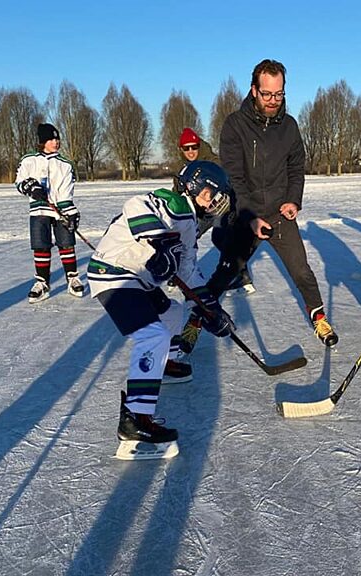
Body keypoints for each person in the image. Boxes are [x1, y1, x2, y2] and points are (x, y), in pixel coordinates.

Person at [86, 160, 234, 459]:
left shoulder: (190, 221)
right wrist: (161, 242)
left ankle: (161, 365)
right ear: (193, 185)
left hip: (138, 279)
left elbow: (189, 271)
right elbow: (134, 204)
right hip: (113, 274)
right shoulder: (172, 202)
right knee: (153, 337)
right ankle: (135, 420)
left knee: (175, 315)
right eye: (210, 194)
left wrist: (211, 309)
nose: (214, 202)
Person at [203, 58, 338, 347]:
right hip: (245, 216)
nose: (273, 100)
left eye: (279, 94)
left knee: (302, 271)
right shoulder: (235, 125)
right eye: (267, 94)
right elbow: (234, 178)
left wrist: (292, 201)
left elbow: (295, 167)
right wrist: (249, 216)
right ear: (254, 90)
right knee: (226, 272)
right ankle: (193, 322)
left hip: (279, 214)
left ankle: (319, 318)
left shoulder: (289, 126)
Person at [172, 128, 254, 356]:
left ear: (199, 146)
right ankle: (177, 268)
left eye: (194, 147)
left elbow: (230, 188)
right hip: (199, 211)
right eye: (186, 149)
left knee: (222, 239)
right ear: (181, 150)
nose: (191, 151)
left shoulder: (213, 163)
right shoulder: (184, 170)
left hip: (219, 209)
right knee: (187, 238)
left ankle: (238, 271)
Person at [15, 123, 84, 303]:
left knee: (66, 243)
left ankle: (72, 278)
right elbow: (19, 181)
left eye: (57, 138)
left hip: (60, 209)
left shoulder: (65, 164)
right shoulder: (29, 160)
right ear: (42, 141)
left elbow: (66, 190)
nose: (56, 142)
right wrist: (30, 187)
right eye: (51, 139)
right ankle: (42, 283)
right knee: (41, 245)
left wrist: (69, 212)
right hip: (38, 210)